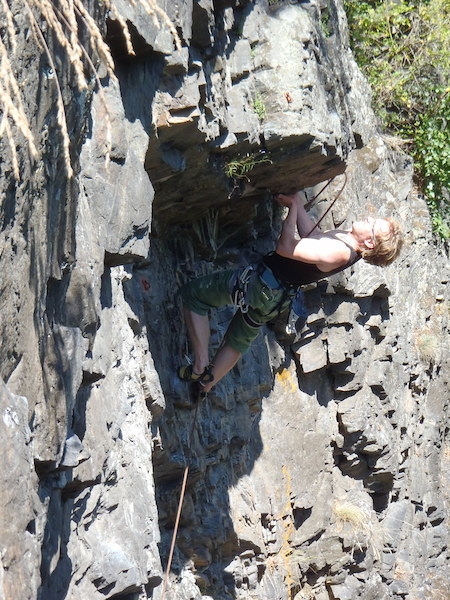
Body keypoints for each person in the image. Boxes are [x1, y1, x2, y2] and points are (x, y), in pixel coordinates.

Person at [177, 190, 403, 393]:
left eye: (373, 225)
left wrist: (293, 210)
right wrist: (298, 204)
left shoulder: (340, 252)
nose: (370, 218)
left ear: (370, 244)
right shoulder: (347, 244)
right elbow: (314, 240)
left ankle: (200, 367)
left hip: (261, 286)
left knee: (194, 296)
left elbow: (285, 248)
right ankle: (206, 386)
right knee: (239, 338)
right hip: (276, 297)